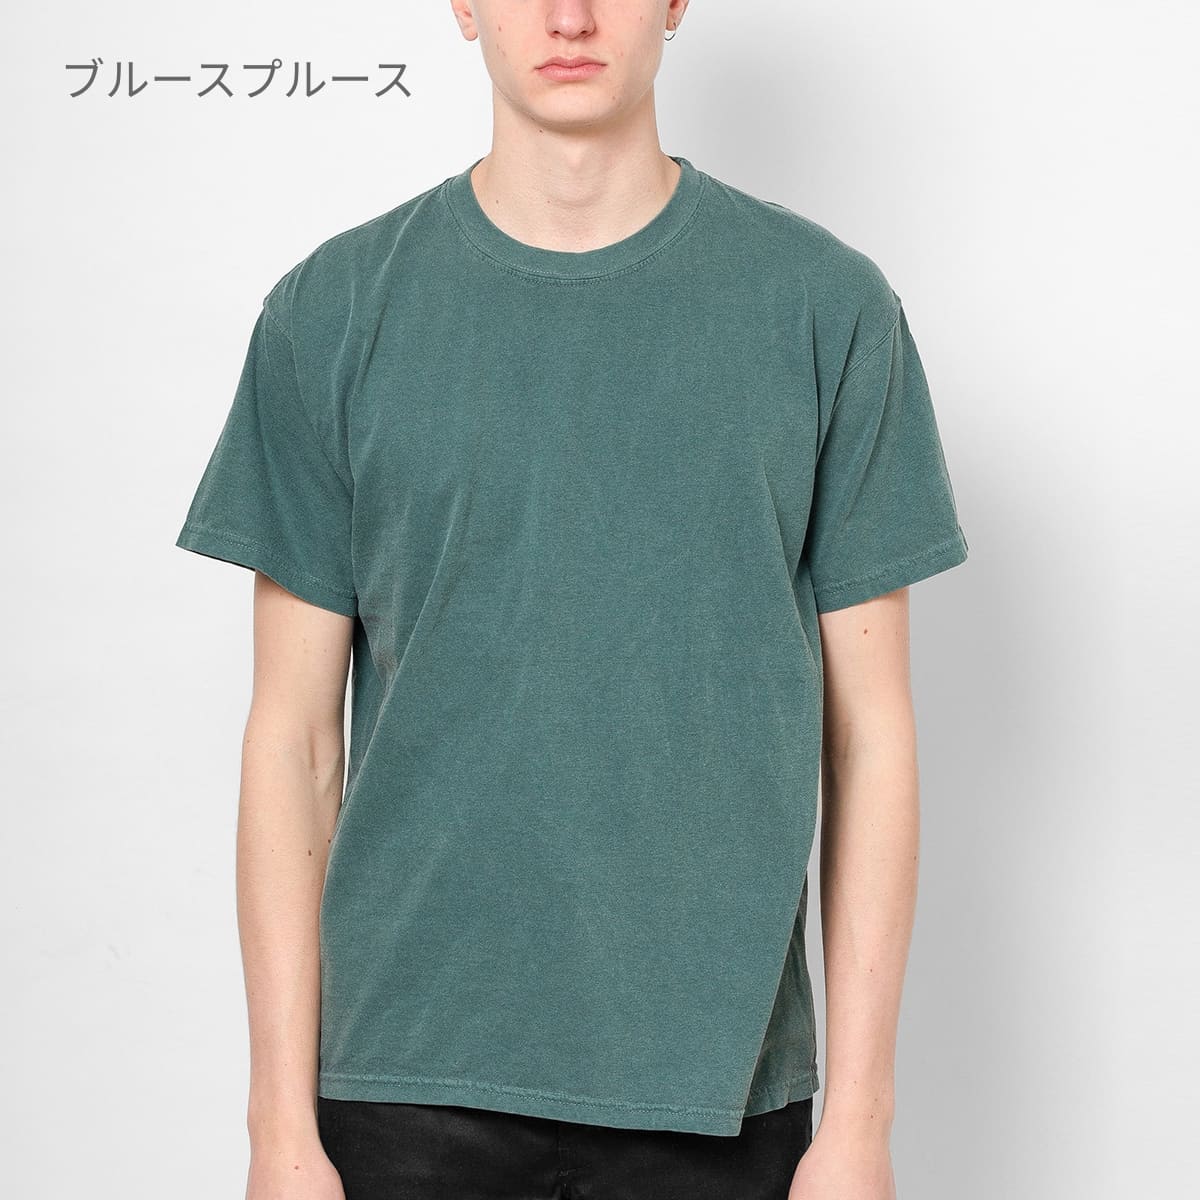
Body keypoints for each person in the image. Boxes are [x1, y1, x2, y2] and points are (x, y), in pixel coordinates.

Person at [175, 2, 969, 1198]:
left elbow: (871, 737)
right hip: (403, 1084)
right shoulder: (331, 315)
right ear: (462, 6)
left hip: (720, 1089)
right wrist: (275, 1125)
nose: (569, 15)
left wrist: (860, 1121)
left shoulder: (826, 309)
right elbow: (292, 743)